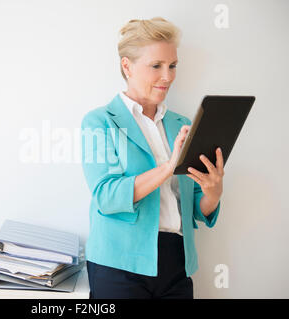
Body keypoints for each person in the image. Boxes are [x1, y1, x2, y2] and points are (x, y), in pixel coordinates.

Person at [81, 17, 224, 299]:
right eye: (156, 66)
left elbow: (196, 206)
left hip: (176, 262)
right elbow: (107, 196)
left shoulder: (182, 123)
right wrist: (169, 166)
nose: (167, 76)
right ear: (127, 66)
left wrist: (213, 192)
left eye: (172, 66)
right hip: (119, 263)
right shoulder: (99, 122)